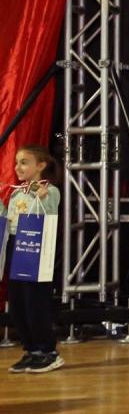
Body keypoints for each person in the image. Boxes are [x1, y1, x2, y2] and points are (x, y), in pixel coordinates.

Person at [3, 145, 64, 373]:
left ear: (41, 165)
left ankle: (48, 351)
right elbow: (8, 218)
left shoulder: (50, 191)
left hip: (36, 247)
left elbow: (49, 212)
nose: (18, 167)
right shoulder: (17, 193)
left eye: (24, 162)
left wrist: (39, 193)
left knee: (35, 301)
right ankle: (32, 350)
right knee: (17, 302)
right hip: (16, 245)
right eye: (16, 162)